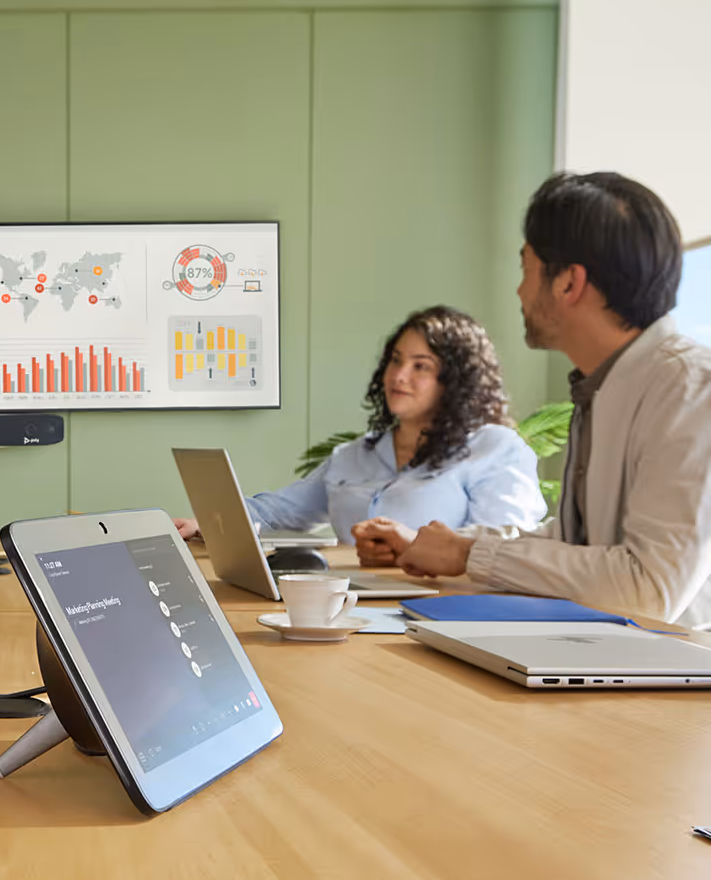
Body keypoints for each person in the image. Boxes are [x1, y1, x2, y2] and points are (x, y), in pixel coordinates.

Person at [354, 172, 711, 626]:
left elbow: (649, 590)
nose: (520, 291)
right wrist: (447, 547)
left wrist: (469, 553)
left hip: (669, 678)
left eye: (525, 269)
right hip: (601, 656)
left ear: (568, 284)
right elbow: (574, 545)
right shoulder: (603, 385)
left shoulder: (690, 389)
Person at [176, 306, 546, 544]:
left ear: (456, 380)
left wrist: (414, 546)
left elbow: (507, 546)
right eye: (396, 361)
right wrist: (206, 521)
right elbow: (278, 511)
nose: (399, 376)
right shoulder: (355, 456)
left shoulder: (495, 450)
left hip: (442, 617)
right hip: (349, 611)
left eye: (421, 366)